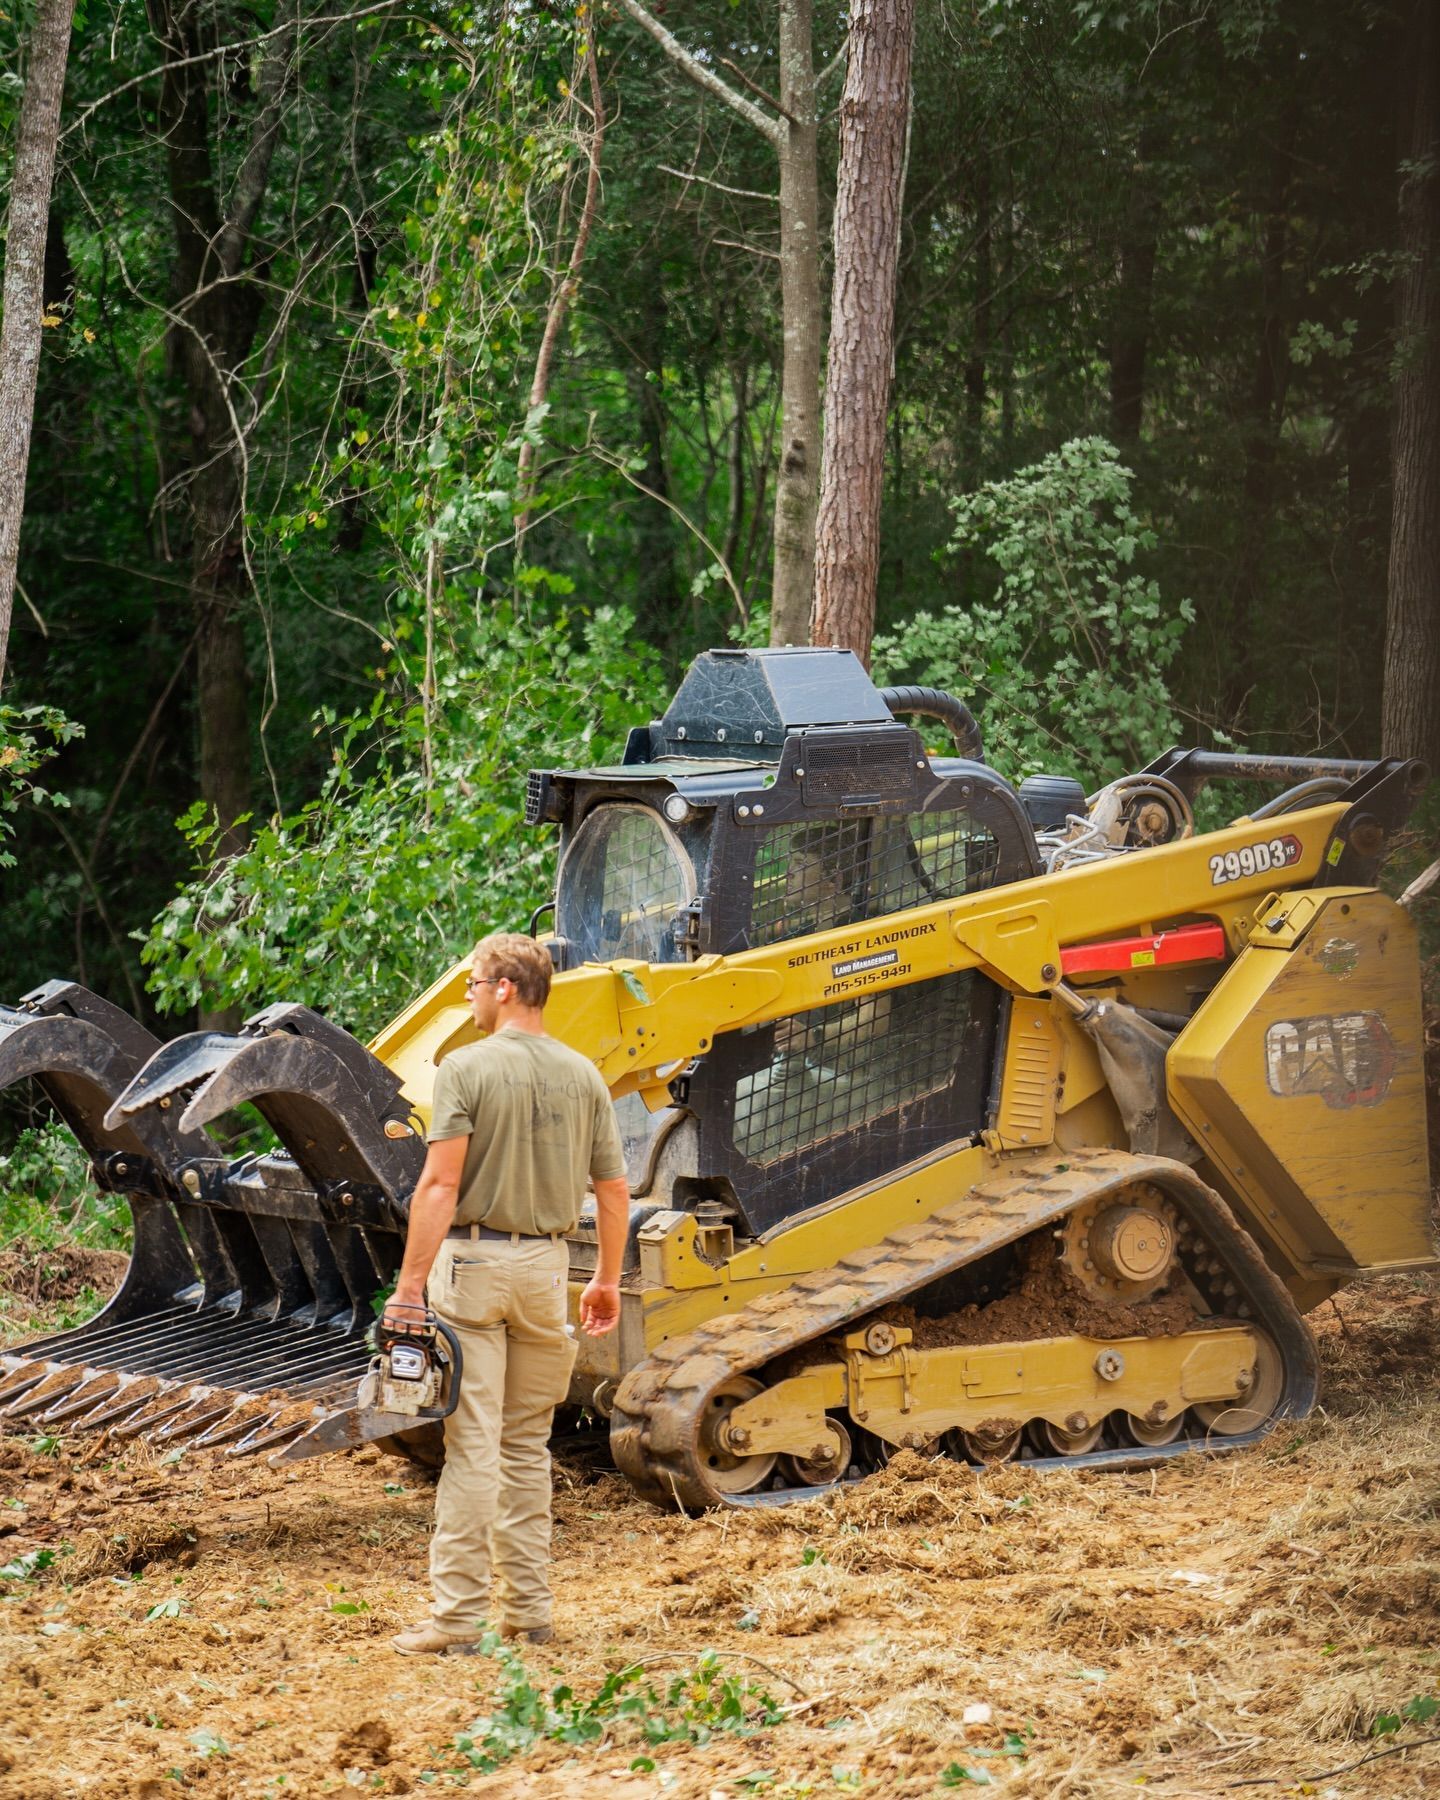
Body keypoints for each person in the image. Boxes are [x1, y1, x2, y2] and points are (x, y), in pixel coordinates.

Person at [386, 931, 630, 1655]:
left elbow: (439, 1185)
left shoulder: (466, 1068)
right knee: (527, 1445)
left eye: (471, 985)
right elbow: (613, 1191)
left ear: (503, 989)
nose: (467, 997)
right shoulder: (584, 1075)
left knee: (472, 1446)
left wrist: (405, 1290)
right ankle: (531, 1613)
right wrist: (607, 1281)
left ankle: (457, 1621)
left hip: (473, 1271)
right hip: (547, 1272)